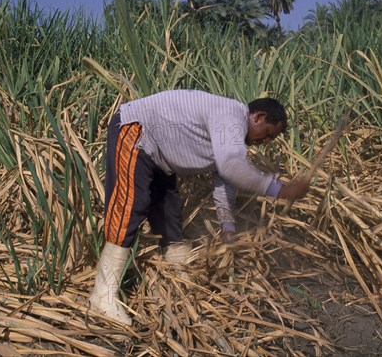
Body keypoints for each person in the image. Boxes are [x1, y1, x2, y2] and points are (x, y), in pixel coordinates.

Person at [88, 89, 311, 325]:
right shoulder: (231, 116)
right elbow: (232, 167)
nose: (265, 142)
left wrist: (228, 230)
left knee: (169, 209)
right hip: (136, 130)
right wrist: (279, 189)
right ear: (258, 116)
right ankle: (102, 296)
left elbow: (226, 181)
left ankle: (176, 275)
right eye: (268, 134)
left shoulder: (231, 137)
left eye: (270, 140)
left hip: (159, 154)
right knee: (131, 206)